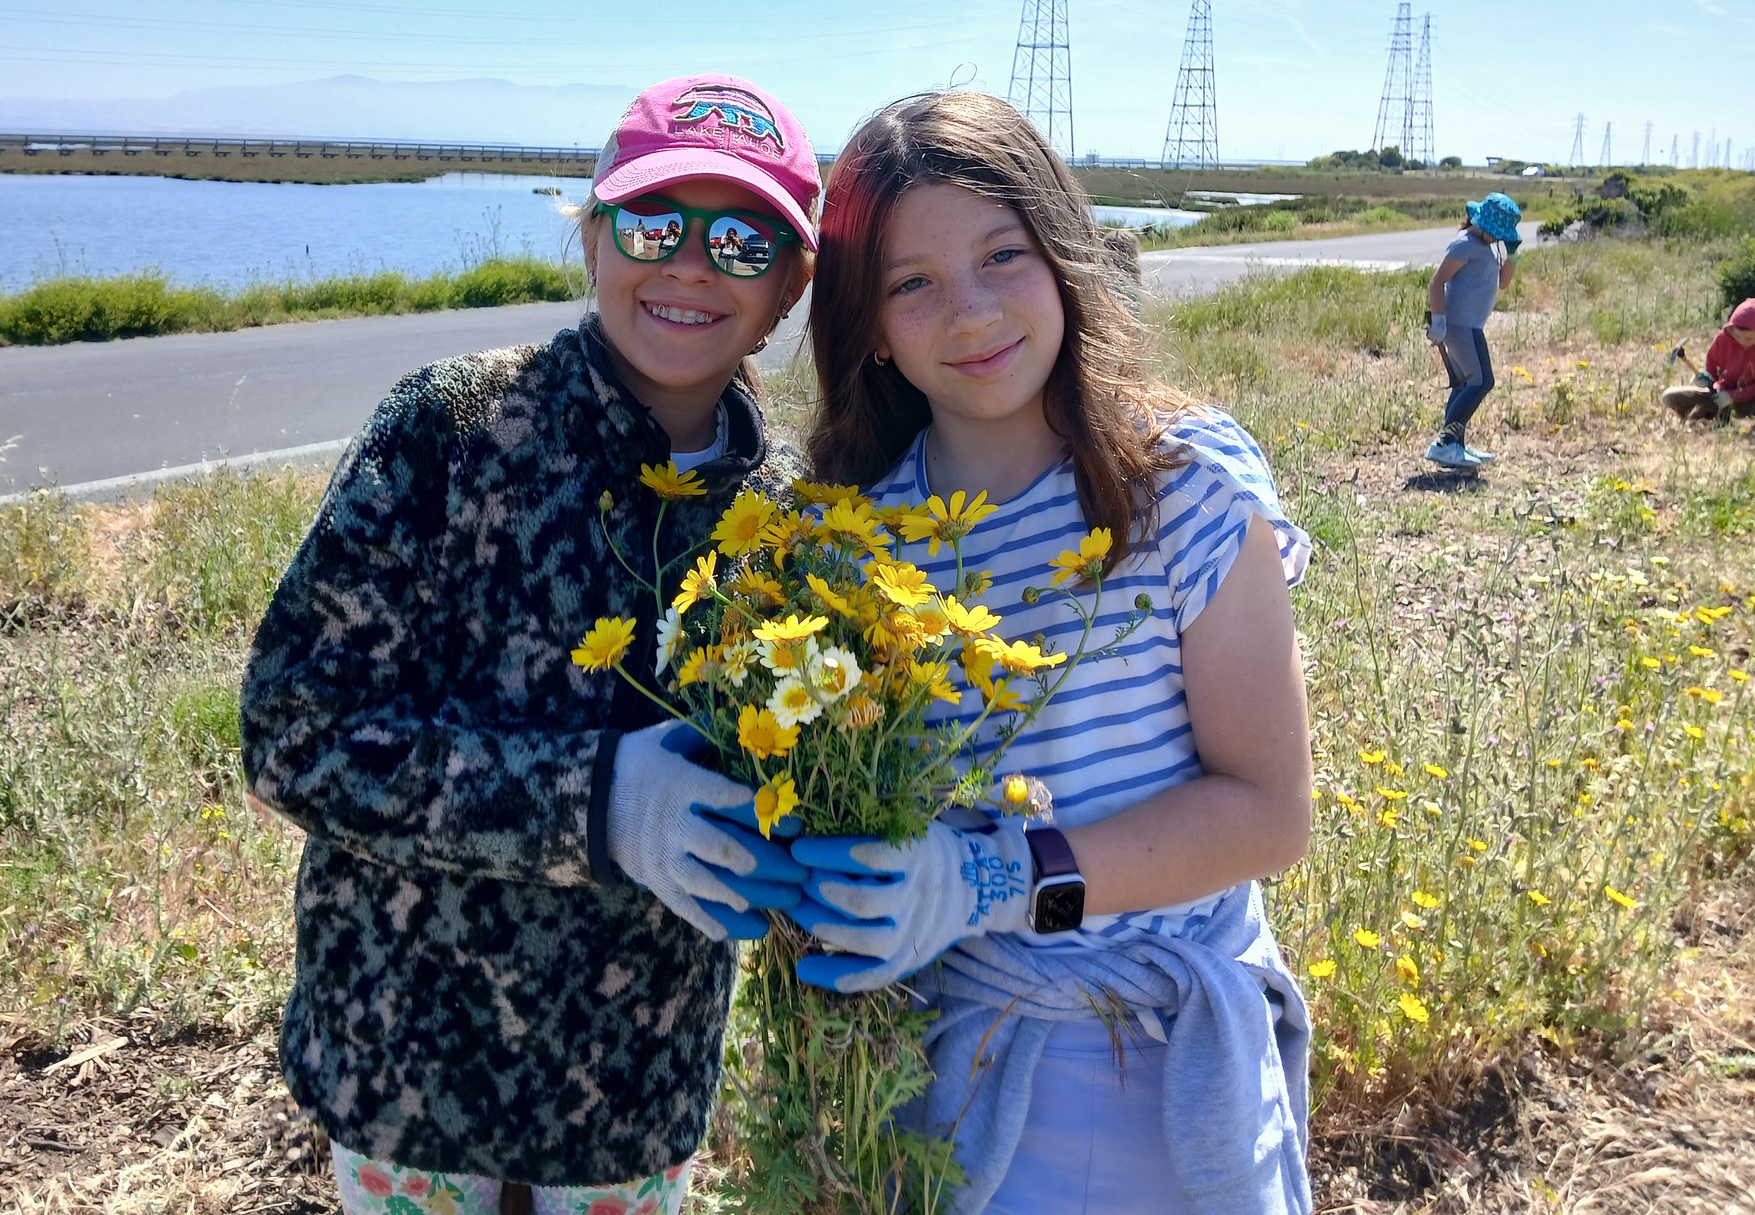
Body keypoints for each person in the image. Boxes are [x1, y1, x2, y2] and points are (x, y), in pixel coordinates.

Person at [239, 75, 820, 1215]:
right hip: (406, 1069)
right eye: (653, 223)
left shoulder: (792, 511)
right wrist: (595, 804)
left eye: (741, 241)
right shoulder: (450, 430)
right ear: (592, 236)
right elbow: (291, 737)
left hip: (631, 1088)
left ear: (790, 285)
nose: (690, 266)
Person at [795, 91, 1315, 1215]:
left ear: (1064, 258)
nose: (969, 312)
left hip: (1172, 1066)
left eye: (1001, 256)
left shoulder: (1180, 487)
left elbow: (1269, 813)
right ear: (869, 325)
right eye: (910, 283)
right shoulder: (852, 545)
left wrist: (983, 878)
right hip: (955, 1076)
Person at [1422, 193, 1522, 468]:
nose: (1500, 239)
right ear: (1484, 224)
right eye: (1498, 234)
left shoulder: (1486, 246)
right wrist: (1439, 321)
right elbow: (1437, 282)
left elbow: (1502, 283)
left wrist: (1512, 254)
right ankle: (1445, 444)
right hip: (1460, 326)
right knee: (1481, 381)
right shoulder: (1464, 244)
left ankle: (1456, 445)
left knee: (1466, 383)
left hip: (1471, 325)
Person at [1662, 298, 1755, 421]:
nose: (1742, 341)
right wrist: (1707, 379)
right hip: (1721, 396)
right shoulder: (1723, 339)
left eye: (1749, 339)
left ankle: (1718, 414)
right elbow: (1712, 365)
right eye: (1738, 336)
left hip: (1750, 401)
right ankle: (1715, 415)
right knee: (1669, 397)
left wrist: (1733, 396)